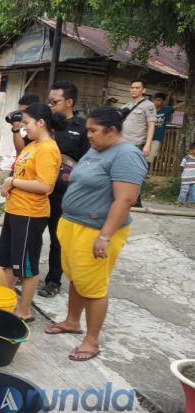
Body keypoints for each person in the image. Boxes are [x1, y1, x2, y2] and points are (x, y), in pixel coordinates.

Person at [44, 106, 147, 361]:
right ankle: (72, 321)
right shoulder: (96, 149)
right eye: (87, 130)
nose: (88, 135)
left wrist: (105, 236)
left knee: (94, 286)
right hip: (72, 224)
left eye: (93, 130)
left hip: (95, 230)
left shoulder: (127, 155)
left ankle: (91, 341)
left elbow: (125, 200)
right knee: (77, 279)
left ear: (111, 130)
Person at [0, 103, 62, 322]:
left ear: (41, 123)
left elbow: (45, 186)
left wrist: (13, 181)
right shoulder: (32, 145)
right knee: (8, 261)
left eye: (27, 123)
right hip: (15, 210)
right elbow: (24, 175)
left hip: (30, 214)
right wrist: (11, 184)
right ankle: (5, 304)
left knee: (25, 266)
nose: (25, 127)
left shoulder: (48, 149)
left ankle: (24, 311)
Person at [38, 81, 91, 298]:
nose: (50, 105)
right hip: (38, 190)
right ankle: (25, 273)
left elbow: (88, 162)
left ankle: (53, 280)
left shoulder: (82, 128)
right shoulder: (45, 124)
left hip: (63, 194)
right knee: (32, 235)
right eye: (49, 101)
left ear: (69, 102)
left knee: (57, 238)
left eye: (55, 102)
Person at [121, 80, 154, 208]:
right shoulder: (126, 106)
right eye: (132, 87)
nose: (134, 90)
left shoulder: (148, 105)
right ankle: (124, 198)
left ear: (143, 90)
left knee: (135, 172)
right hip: (123, 144)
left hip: (137, 144)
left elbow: (151, 125)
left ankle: (136, 201)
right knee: (122, 172)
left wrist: (148, 145)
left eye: (137, 88)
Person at [150, 93, 175, 165]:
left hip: (157, 138)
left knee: (150, 156)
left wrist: (188, 100)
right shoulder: (149, 110)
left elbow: (176, 106)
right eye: (155, 100)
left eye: (159, 100)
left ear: (162, 102)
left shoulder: (166, 110)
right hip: (145, 137)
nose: (156, 102)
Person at [178, 143, 195, 208]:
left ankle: (190, 203)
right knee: (183, 191)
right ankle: (181, 202)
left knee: (193, 192)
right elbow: (182, 166)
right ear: (191, 150)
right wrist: (184, 175)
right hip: (186, 179)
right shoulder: (186, 158)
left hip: (194, 180)